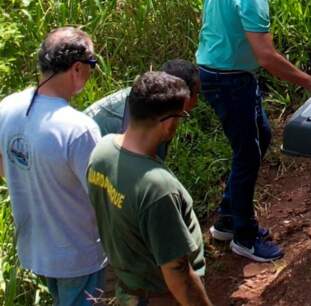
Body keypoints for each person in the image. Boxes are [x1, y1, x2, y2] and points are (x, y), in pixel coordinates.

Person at [196, 0, 311, 262]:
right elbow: (267, 57)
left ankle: (228, 220)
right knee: (248, 153)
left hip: (215, 70)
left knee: (259, 136)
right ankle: (244, 237)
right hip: (230, 79)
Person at [0, 27, 107, 305]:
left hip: (35, 249)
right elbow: (102, 198)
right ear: (77, 68)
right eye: (92, 64)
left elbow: (3, 166)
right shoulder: (79, 129)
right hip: (78, 255)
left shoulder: (8, 107)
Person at [87, 71, 212, 306]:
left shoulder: (102, 151)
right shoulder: (157, 188)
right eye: (181, 116)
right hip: (162, 296)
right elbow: (178, 273)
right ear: (168, 123)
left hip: (129, 288)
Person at [84, 59, 201, 159]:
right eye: (196, 94)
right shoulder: (152, 122)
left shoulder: (142, 94)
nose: (196, 102)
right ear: (182, 94)